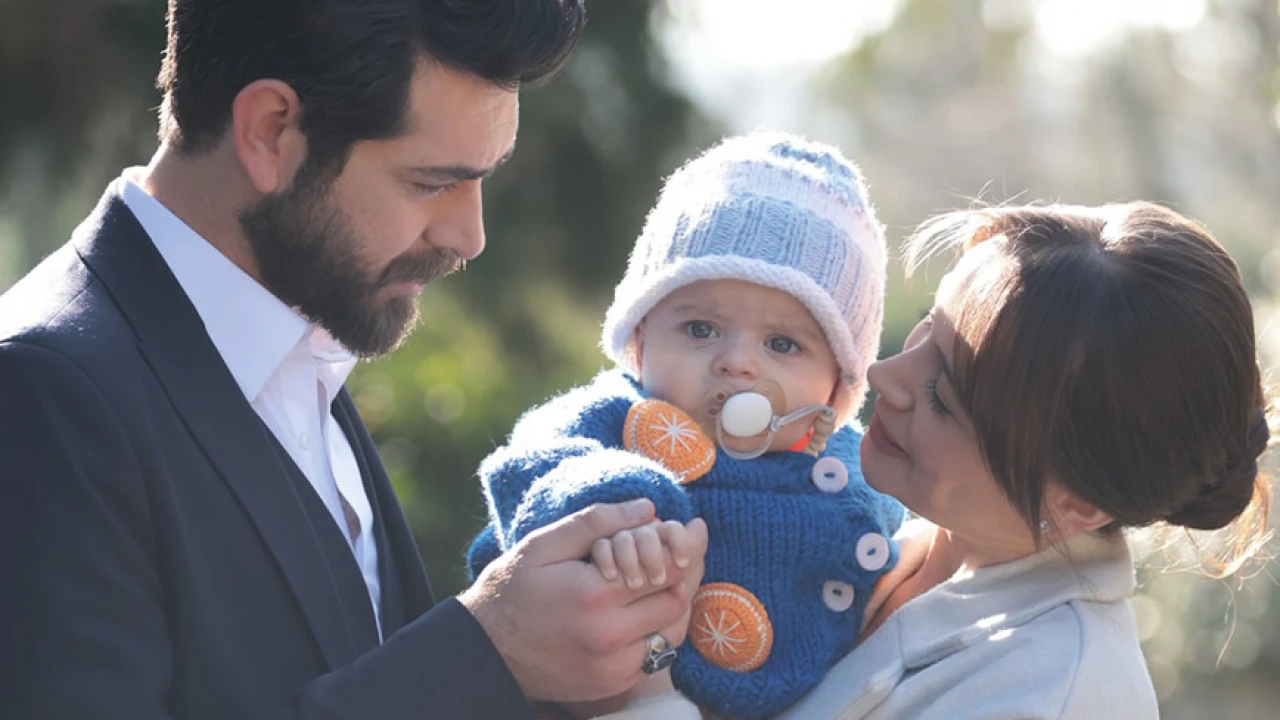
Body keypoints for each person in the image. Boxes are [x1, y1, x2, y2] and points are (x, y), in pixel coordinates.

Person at [0, 2, 709, 718]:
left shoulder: (297, 348)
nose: (469, 235)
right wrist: (486, 656)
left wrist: (597, 675)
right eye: (432, 183)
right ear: (271, 129)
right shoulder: (41, 394)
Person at [605, 200, 1275, 718]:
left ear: (1077, 502)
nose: (883, 375)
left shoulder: (1055, 694)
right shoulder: (881, 530)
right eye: (926, 328)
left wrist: (640, 672)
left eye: (944, 396)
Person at [466, 132, 906, 720]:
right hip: (614, 694)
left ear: (838, 387)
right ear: (640, 339)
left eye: (782, 343)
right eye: (700, 329)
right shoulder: (619, 420)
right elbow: (539, 464)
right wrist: (616, 504)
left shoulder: (848, 466)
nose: (737, 363)